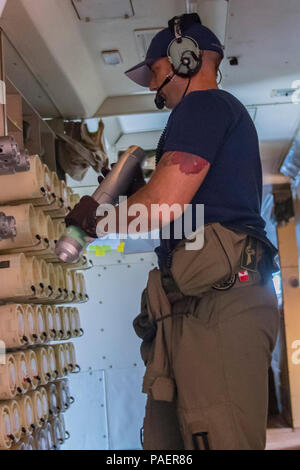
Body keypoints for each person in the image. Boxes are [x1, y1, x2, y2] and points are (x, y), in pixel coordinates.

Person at [66, 13, 280, 450]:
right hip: (197, 309)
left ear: (187, 59)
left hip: (219, 309)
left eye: (157, 73)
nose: (151, 87)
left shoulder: (204, 106)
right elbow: (179, 211)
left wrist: (93, 221)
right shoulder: (213, 117)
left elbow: (162, 207)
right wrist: (138, 189)